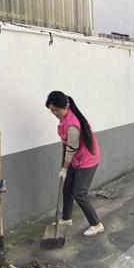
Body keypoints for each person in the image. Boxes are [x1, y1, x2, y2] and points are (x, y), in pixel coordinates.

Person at [45, 91, 104, 236]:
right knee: (67, 189)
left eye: (56, 109)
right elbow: (68, 144)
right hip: (76, 158)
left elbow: (72, 148)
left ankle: (96, 225)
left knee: (79, 193)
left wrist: (64, 168)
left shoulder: (72, 124)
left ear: (65, 106)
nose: (54, 113)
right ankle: (66, 219)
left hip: (86, 160)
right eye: (51, 110)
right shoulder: (65, 116)